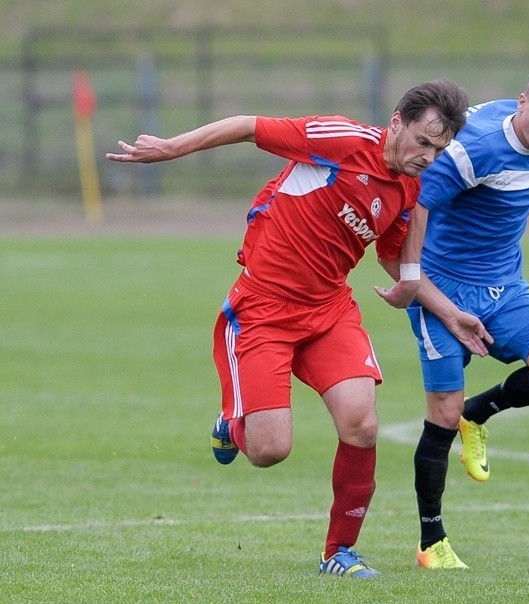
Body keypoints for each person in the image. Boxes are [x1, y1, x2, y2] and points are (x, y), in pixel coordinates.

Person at [106, 79, 469, 578]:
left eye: (439, 148)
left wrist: (445, 310)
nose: (428, 156)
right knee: (270, 451)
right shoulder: (339, 139)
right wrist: (172, 148)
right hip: (263, 311)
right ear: (397, 122)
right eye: (423, 142)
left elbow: (395, 258)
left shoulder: (411, 188)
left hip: (329, 311)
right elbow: (246, 127)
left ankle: (338, 552)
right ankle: (233, 426)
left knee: (362, 424)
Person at [405, 58, 529, 569]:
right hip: (444, 286)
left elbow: (528, 177)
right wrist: (415, 283)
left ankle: (477, 415)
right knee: (439, 414)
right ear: (522, 101)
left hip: (506, 285)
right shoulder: (472, 148)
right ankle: (431, 542)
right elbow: (416, 204)